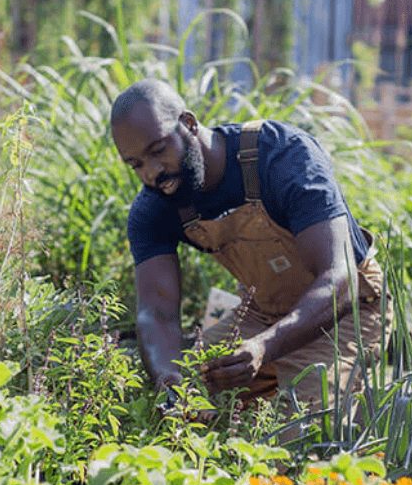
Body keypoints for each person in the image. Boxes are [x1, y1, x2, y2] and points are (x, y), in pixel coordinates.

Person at [109, 78, 385, 414]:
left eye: (158, 150)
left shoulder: (282, 156)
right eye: (136, 164)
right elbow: (157, 312)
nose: (152, 172)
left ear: (189, 124)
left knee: (300, 441)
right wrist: (171, 381)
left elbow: (340, 278)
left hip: (345, 313)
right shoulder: (156, 205)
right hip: (260, 314)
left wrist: (265, 347)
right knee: (185, 404)